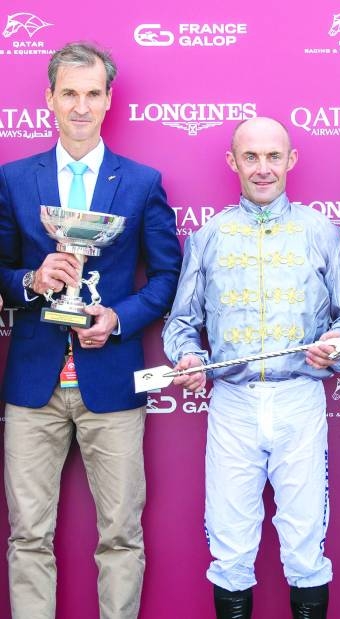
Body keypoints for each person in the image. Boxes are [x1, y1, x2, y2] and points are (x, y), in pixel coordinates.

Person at [0, 43, 183, 619]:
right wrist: (32, 279)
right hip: (34, 384)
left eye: (93, 94)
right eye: (70, 93)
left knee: (121, 535)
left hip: (111, 380)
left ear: (109, 100)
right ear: (49, 99)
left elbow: (166, 274)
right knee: (28, 535)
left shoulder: (141, 181)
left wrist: (118, 317)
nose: (81, 106)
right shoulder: (12, 180)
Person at [162, 116, 340, 618]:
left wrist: (339, 344)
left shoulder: (323, 233)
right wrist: (188, 357)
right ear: (233, 162)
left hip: (300, 399)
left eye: (273, 156)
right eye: (250, 157)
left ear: (290, 160)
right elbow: (180, 324)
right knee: (230, 549)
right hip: (231, 405)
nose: (262, 168)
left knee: (305, 547)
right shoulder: (208, 237)